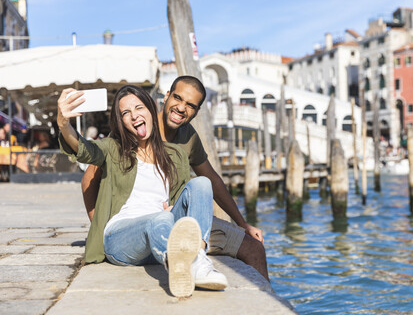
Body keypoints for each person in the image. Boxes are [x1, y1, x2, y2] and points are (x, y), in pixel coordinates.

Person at [82, 76, 269, 280]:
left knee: (254, 248)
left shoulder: (188, 137)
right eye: (178, 98)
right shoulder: (134, 127)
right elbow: (89, 179)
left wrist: (243, 223)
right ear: (167, 96)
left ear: (196, 112)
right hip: (142, 226)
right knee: (158, 224)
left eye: (190, 105)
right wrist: (100, 226)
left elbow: (212, 180)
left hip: (182, 219)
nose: (181, 108)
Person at [57, 85, 227, 297]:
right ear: (121, 122)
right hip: (122, 238)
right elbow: (84, 149)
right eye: (125, 113)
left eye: (139, 108)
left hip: (160, 235)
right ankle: (183, 264)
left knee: (201, 183)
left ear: (150, 110)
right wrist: (64, 124)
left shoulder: (175, 155)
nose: (134, 115)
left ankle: (197, 260)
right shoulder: (112, 148)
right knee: (159, 219)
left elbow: (181, 197)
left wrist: (174, 207)